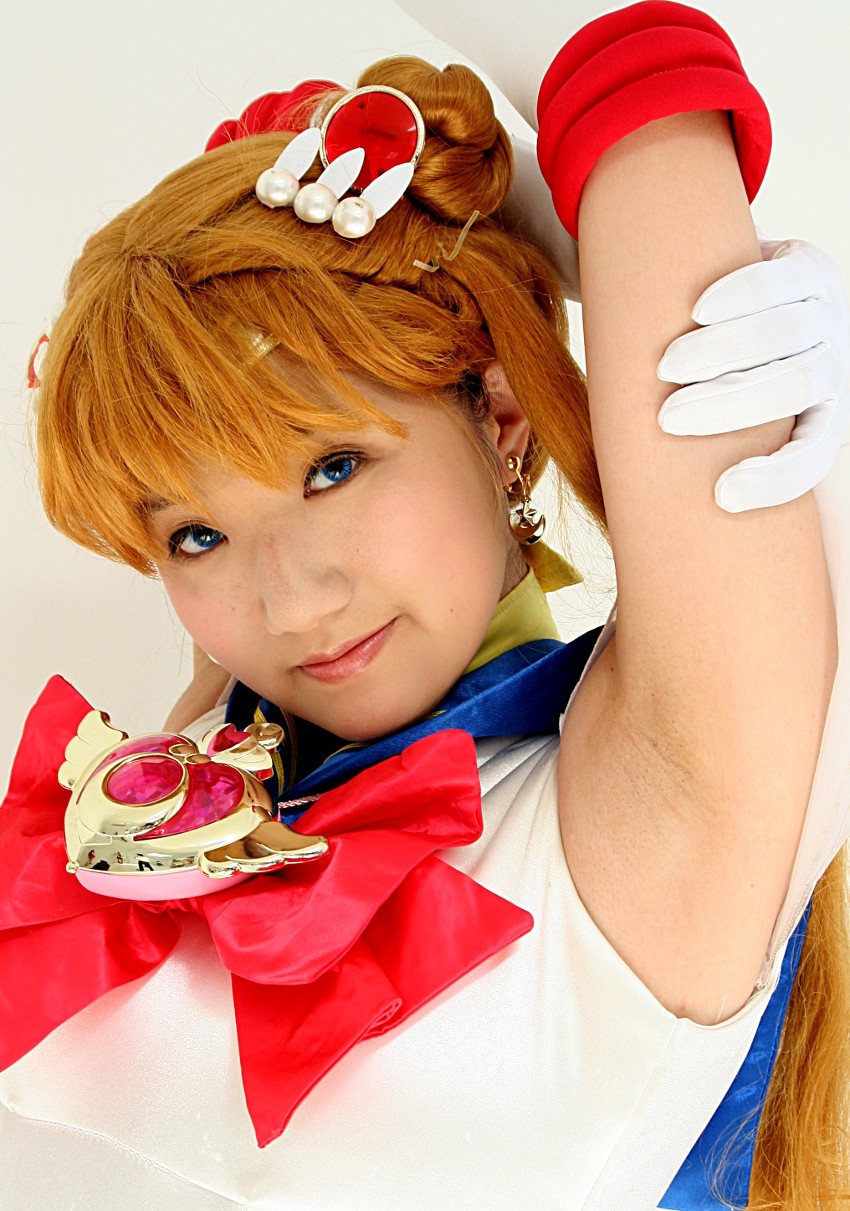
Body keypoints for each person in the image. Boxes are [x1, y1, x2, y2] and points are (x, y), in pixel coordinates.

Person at [0, 3, 848, 1208]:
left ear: (499, 415)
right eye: (196, 534)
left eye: (333, 466)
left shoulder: (643, 814)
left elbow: (638, 95)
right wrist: (433, 238)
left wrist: (517, 246)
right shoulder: (187, 779)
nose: (291, 601)